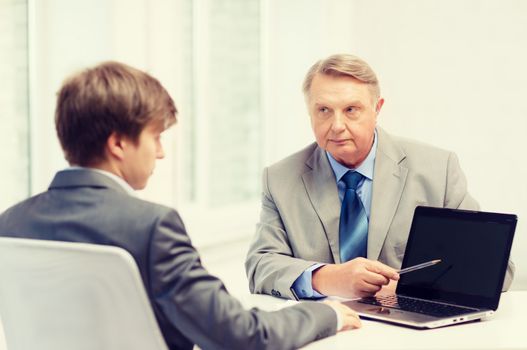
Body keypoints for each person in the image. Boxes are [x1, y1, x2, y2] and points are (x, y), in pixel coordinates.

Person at [0, 62, 362, 350]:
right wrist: (323, 314)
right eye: (155, 137)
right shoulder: (151, 227)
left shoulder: (10, 224)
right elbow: (241, 335)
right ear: (118, 144)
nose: (160, 151)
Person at [245, 53, 515, 301]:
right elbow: (260, 265)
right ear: (310, 113)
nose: (337, 126)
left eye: (351, 109)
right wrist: (325, 277)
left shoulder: (437, 169)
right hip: (325, 329)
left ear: (377, 109)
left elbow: (497, 270)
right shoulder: (280, 179)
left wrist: (411, 286)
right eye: (324, 110)